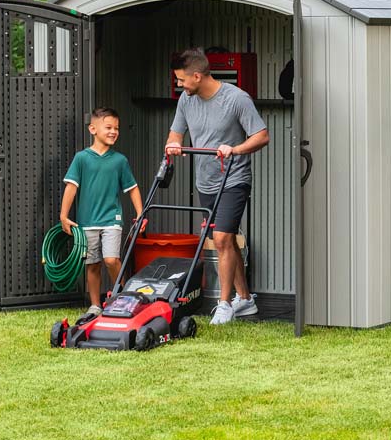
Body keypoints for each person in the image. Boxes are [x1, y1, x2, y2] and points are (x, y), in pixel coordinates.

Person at [165, 48, 270, 325]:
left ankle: (223, 304)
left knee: (222, 239)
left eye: (181, 80)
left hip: (234, 179)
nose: (179, 85)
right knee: (228, 239)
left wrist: (235, 149)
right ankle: (245, 299)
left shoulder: (236, 99)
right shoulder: (186, 101)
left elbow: (261, 136)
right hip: (206, 182)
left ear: (197, 76)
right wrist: (174, 144)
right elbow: (176, 133)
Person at [60, 107, 143, 317]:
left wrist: (141, 213)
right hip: (86, 222)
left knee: (111, 260)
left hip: (111, 219)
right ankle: (95, 305)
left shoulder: (119, 161)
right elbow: (71, 187)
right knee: (93, 264)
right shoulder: (81, 158)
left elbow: (132, 188)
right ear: (93, 129)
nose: (114, 131)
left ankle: (122, 297)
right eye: (109, 127)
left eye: (117, 128)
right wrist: (64, 216)